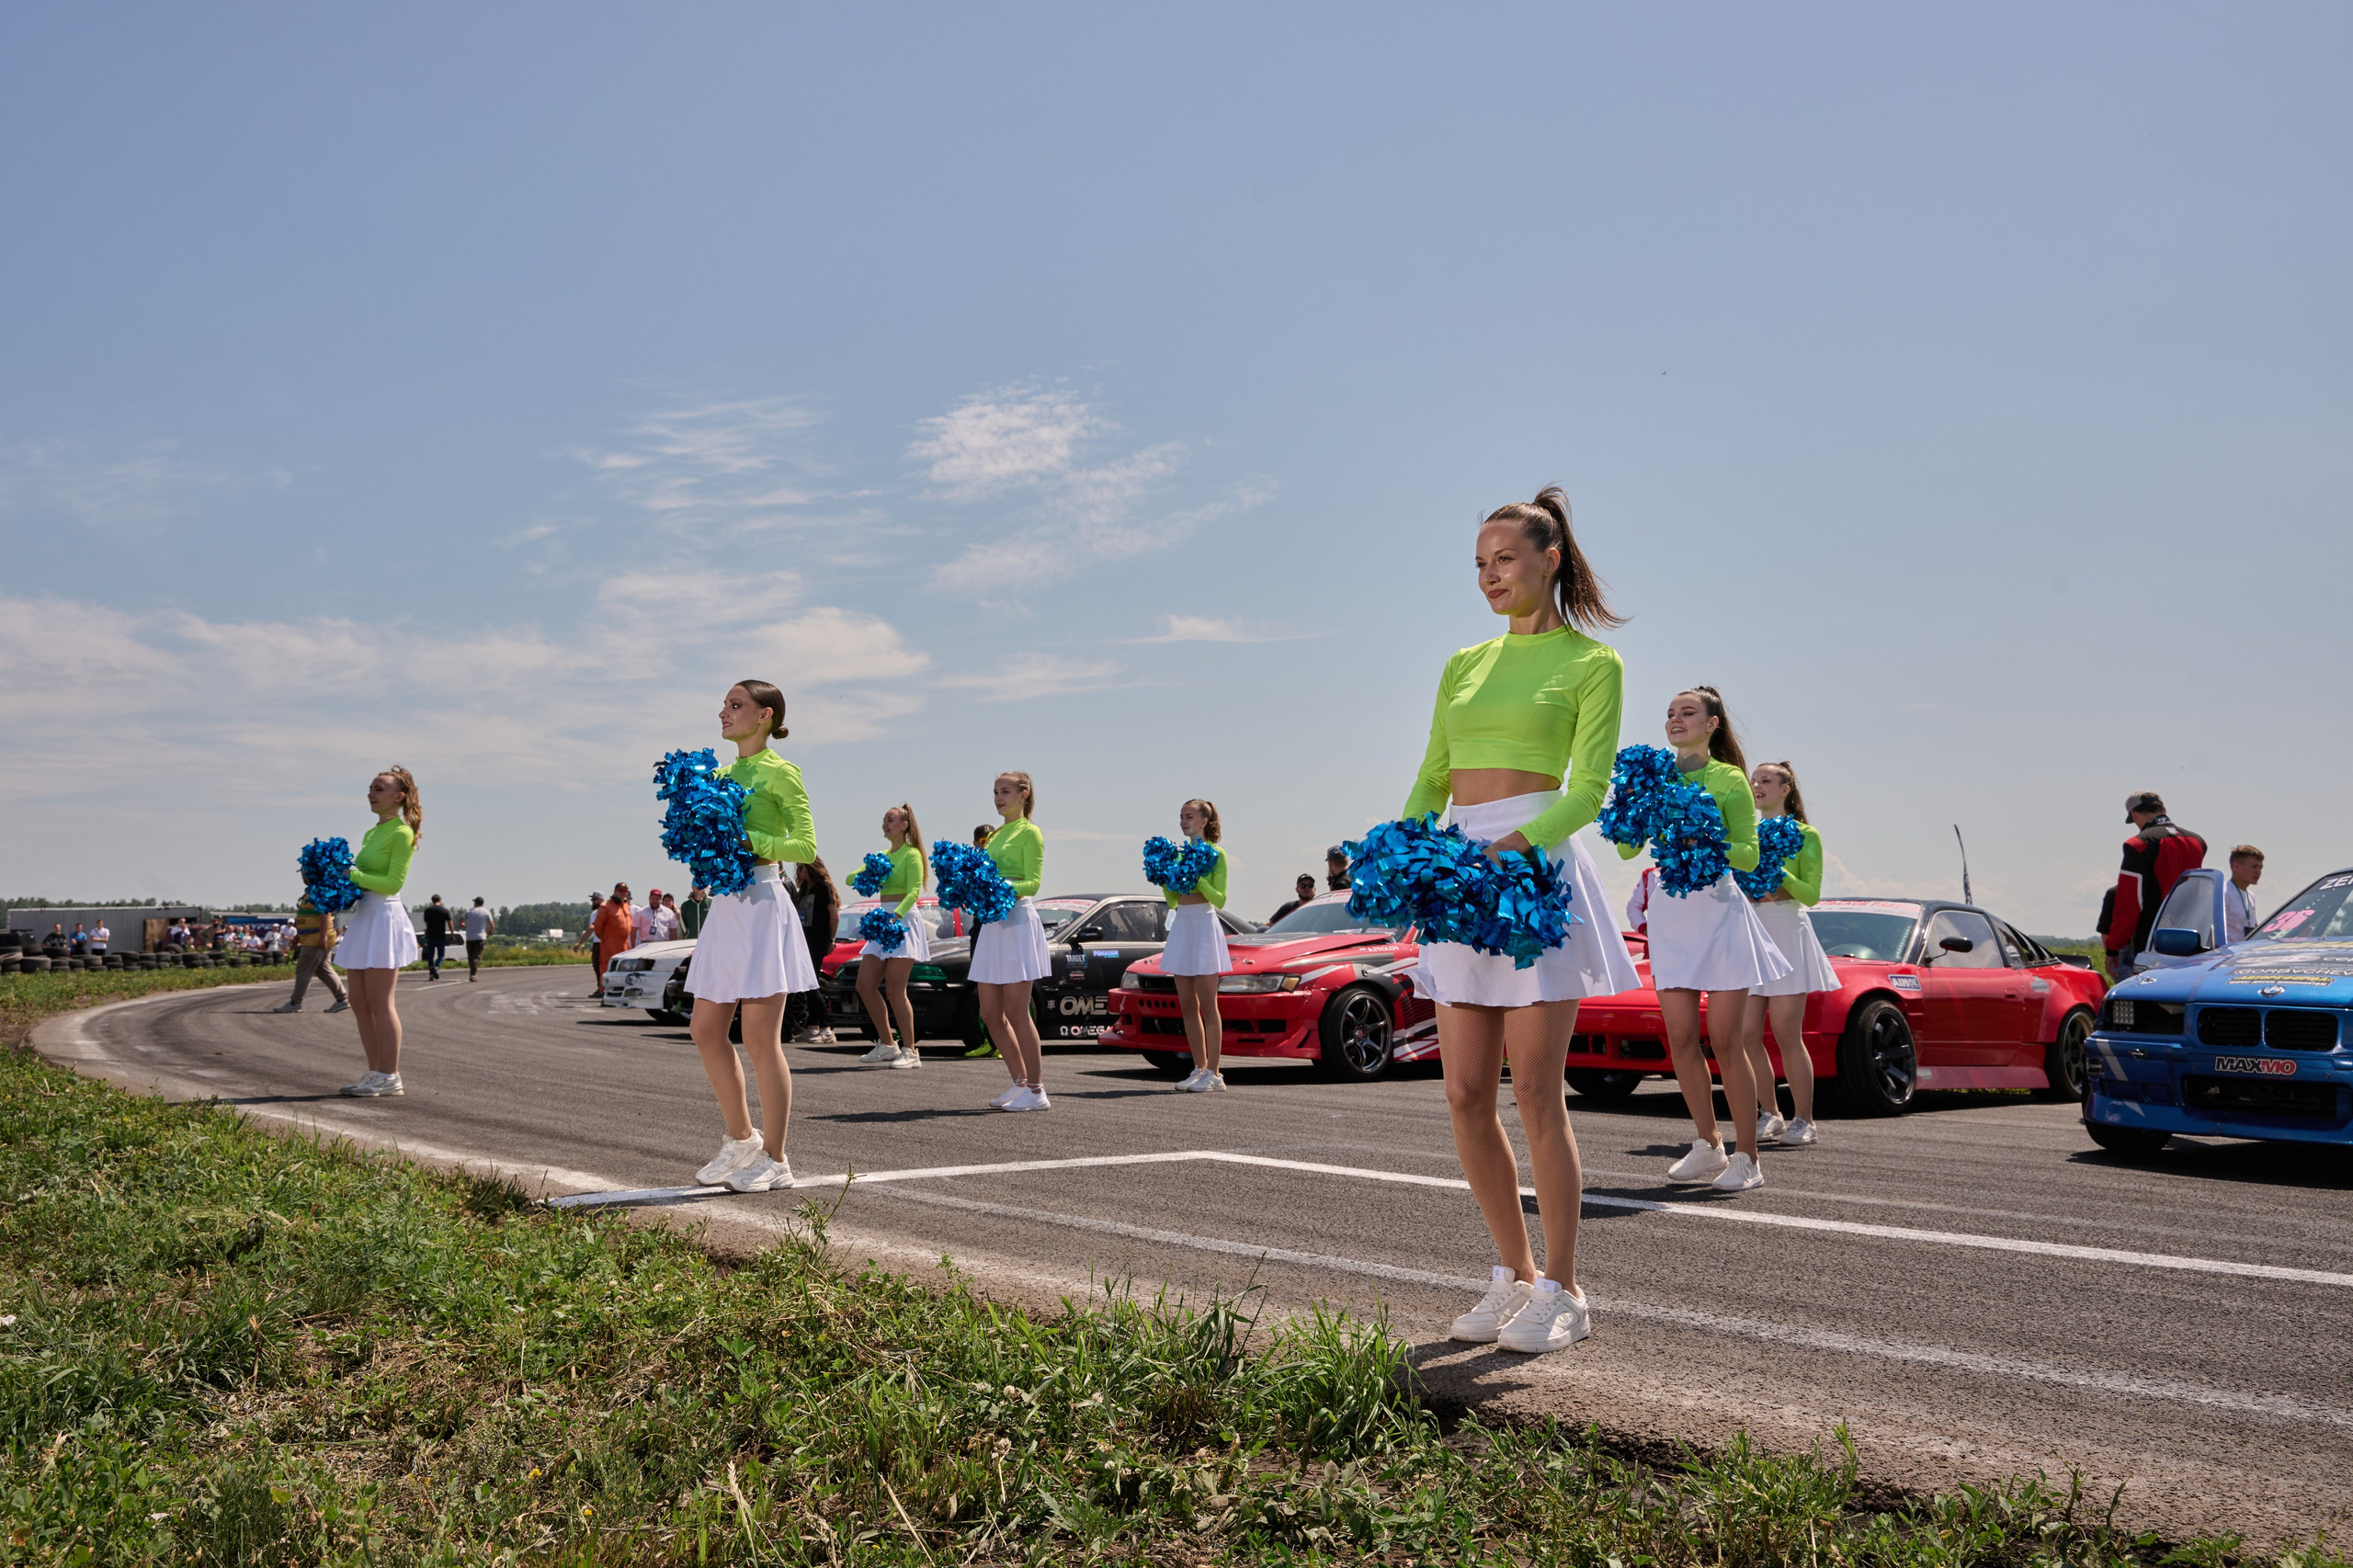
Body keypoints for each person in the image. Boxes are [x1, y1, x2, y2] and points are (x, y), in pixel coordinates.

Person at [1403, 486, 1641, 1357]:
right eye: (1478, 564)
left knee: (1537, 1091)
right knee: (1465, 1092)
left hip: (1531, 867)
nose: (1489, 576)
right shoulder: (1463, 661)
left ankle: (1566, 1288)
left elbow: (1588, 788)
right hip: (1460, 868)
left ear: (1550, 561)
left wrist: (1518, 843)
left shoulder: (1592, 663)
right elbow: (1433, 773)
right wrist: (1408, 846)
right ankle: (1510, 1272)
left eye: (1504, 560)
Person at [1623, 688, 1790, 1194]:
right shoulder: (1657, 776)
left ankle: (1748, 1156)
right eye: (1671, 713)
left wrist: (1706, 837)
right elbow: (1631, 846)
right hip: (1672, 914)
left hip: (1718, 915)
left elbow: (1747, 854)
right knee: (1678, 1037)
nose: (1676, 719)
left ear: (1712, 723)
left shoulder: (1728, 778)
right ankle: (1707, 1142)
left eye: (1688, 712)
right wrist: (1636, 804)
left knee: (1726, 1041)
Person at [685, 679, 817, 1194]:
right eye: (723, 704)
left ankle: (778, 1159)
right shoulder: (719, 773)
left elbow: (804, 845)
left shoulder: (781, 771)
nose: (724, 712)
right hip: (726, 905)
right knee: (704, 1029)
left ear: (764, 716)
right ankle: (742, 1139)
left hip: (763, 903)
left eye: (735, 705)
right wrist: (705, 861)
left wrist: (748, 840)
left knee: (761, 1039)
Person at [1733, 761, 1836, 1151]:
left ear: (1786, 788)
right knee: (1744, 1035)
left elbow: (1810, 894)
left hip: (1788, 933)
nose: (1756, 786)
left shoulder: (1806, 835)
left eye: (1765, 780)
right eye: (1753, 780)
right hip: (1752, 932)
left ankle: (1804, 1119)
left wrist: (1779, 874)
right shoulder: (1746, 834)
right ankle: (1770, 1113)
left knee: (1787, 1033)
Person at [333, 766, 424, 1096]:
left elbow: (392, 883)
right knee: (358, 1000)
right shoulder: (372, 833)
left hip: (384, 917)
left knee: (381, 1001)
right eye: (370, 788)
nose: (371, 794)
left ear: (399, 796)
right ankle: (375, 1072)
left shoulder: (402, 832)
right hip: (364, 916)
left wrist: (351, 874)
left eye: (379, 789)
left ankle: (391, 1076)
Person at [972, 771, 1051, 1110]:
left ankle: (1037, 1090)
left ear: (1024, 794)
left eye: (1005, 791)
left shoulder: (1030, 832)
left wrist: (996, 887)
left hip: (1017, 920)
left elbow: (1032, 883)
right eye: (995, 792)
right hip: (992, 923)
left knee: (1018, 1011)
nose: (998, 798)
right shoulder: (996, 835)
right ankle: (1019, 1082)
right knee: (990, 1012)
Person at [1163, 799, 1233, 1092]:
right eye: (1181, 816)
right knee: (1187, 1005)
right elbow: (1172, 902)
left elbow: (1220, 899)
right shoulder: (1178, 856)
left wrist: (1200, 880)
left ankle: (1215, 1074)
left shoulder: (1217, 854)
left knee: (1208, 1004)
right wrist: (1166, 880)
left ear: (1204, 821)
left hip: (1204, 925)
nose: (1183, 821)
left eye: (1189, 816)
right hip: (1183, 924)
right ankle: (1199, 1067)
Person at [857, 803, 931, 1069]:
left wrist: (896, 915)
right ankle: (888, 1044)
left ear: (904, 825)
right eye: (883, 820)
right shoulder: (883, 855)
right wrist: (862, 872)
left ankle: (911, 1051)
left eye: (890, 820)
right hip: (883, 918)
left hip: (902, 919)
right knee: (864, 985)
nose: (885, 824)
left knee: (895, 990)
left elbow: (914, 891)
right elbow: (851, 878)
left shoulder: (912, 855)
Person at [2105, 792, 2207, 976]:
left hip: (2154, 943)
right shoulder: (2198, 841)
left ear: (2134, 815)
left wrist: (2113, 948)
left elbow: (2129, 905)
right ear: (2163, 810)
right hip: (2192, 939)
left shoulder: (2138, 845)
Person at [786, 860, 839, 1043]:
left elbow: (834, 915)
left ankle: (826, 1027)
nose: (798, 873)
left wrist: (831, 939)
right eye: (797, 869)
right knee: (807, 984)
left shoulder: (823, 888)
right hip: (804, 941)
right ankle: (813, 1027)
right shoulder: (804, 891)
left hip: (817, 942)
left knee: (812, 984)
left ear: (811, 868)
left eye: (801, 868)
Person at [274, 894, 350, 1013]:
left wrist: (322, 937)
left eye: (305, 873)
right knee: (322, 968)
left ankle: (295, 1002)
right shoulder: (312, 891)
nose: (304, 875)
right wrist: (299, 936)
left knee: (303, 969)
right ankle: (342, 999)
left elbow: (325, 914)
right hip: (313, 937)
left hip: (314, 938)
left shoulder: (319, 891)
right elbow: (309, 918)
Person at [592, 882, 635, 998]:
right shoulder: (605, 906)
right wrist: (606, 938)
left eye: (625, 891)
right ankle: (605, 994)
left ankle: (619, 993)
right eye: (620, 890)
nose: (623, 893)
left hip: (624, 944)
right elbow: (598, 927)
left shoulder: (626, 906)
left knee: (623, 968)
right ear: (615, 892)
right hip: (610, 943)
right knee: (607, 968)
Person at [2223, 845, 2265, 945]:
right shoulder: (2224, 893)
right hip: (2227, 954)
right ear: (2236, 866)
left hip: (2244, 953)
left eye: (2260, 867)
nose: (2258, 872)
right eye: (2254, 867)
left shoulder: (2250, 895)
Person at [575, 892, 608, 993]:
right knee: (596, 966)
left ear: (601, 900)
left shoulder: (606, 911)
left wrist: (579, 943)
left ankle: (604, 988)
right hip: (597, 942)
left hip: (605, 942)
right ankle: (600, 987)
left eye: (594, 900)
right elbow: (592, 930)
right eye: (592, 900)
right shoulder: (594, 914)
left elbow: (591, 928)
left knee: (603, 967)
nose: (592, 902)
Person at [421, 895, 453, 980]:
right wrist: (452, 934)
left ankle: (431, 972)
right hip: (440, 935)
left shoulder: (428, 910)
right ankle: (436, 966)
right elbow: (450, 923)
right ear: (440, 900)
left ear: (432, 900)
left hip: (430, 935)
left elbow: (426, 922)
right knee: (441, 955)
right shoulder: (445, 910)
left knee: (430, 955)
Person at [463, 897, 494, 980]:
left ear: (476, 903)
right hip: (480, 937)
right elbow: (491, 924)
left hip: (469, 937)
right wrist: (490, 931)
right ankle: (473, 974)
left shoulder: (469, 911)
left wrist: (462, 924)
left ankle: (472, 972)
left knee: (470, 956)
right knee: (477, 956)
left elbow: (461, 919)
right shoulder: (486, 912)